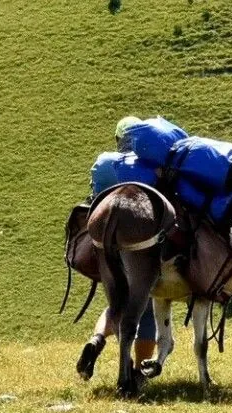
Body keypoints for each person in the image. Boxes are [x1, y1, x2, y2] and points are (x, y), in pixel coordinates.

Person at [75, 117, 162, 379]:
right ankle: (136, 373)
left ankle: (97, 339)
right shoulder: (149, 168)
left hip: (103, 245)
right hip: (139, 245)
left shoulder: (103, 163)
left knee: (116, 302)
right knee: (144, 308)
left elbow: (93, 198)